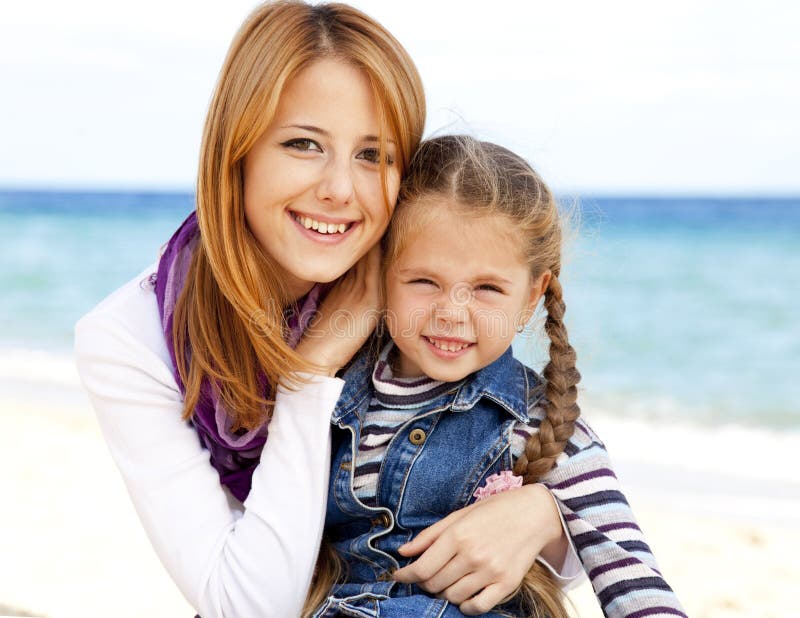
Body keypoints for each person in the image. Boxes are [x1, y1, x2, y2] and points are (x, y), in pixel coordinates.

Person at [74, 3, 577, 617]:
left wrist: (541, 514)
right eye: (303, 144)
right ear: (238, 150)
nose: (340, 189)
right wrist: (309, 375)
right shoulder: (130, 340)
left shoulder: (414, 297)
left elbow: (517, 449)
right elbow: (246, 605)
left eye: (373, 154)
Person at [306, 136, 687, 617]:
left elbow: (638, 586)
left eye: (487, 288)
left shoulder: (543, 427)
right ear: (381, 273)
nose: (451, 313)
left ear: (532, 296)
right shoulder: (330, 393)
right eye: (424, 281)